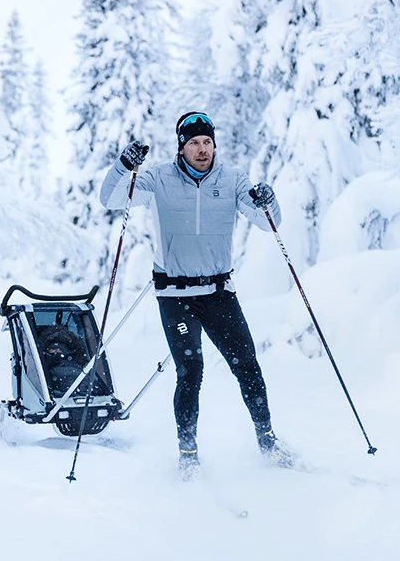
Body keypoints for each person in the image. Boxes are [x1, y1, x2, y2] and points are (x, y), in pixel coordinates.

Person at [99, 111, 290, 480]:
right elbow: (110, 199)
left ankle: (268, 441)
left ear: (214, 145)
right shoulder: (157, 179)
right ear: (181, 148)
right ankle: (188, 455)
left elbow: (270, 222)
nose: (202, 150)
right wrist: (124, 166)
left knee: (247, 366)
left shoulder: (233, 180)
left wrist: (269, 200)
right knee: (191, 371)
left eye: (207, 142)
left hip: (218, 292)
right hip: (175, 295)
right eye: (193, 143)